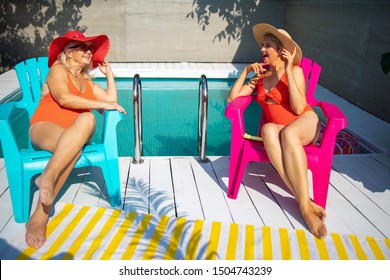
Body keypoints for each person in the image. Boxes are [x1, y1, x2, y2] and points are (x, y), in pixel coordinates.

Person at [26, 30, 126, 249]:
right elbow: (63, 98)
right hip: (45, 127)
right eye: (81, 47)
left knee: (87, 119)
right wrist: (102, 104)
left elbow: (111, 100)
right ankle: (41, 215)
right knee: (74, 148)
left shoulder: (87, 83)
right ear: (67, 53)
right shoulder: (57, 70)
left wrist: (109, 74)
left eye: (89, 48)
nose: (88, 51)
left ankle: (47, 180)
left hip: (73, 134)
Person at [227, 23, 327, 238]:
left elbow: (300, 108)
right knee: (268, 130)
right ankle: (305, 203)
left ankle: (304, 210)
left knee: (288, 133)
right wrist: (245, 72)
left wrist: (289, 71)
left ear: (281, 51)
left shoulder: (296, 72)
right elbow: (232, 98)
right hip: (283, 129)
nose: (262, 50)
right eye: (262, 45)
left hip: (306, 123)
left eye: (268, 46)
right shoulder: (261, 78)